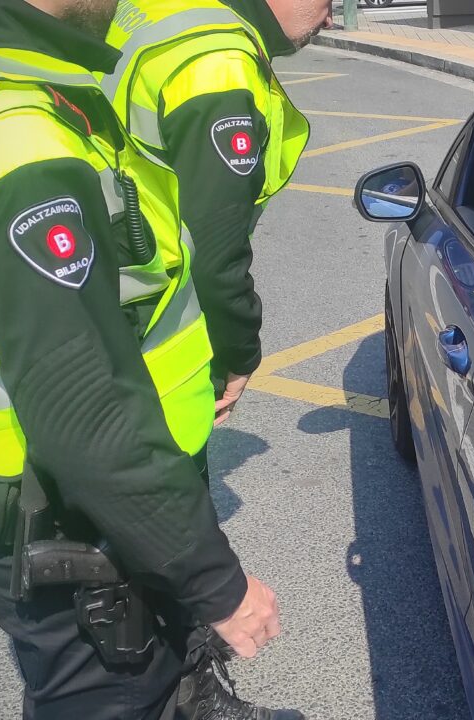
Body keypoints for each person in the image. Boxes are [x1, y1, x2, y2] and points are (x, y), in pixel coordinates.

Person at [0, 0, 294, 718]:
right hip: (57, 501)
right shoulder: (12, 144)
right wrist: (219, 585)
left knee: (126, 681)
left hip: (16, 475)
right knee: (111, 700)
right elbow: (82, 411)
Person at [101, 0, 327, 425]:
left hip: (103, 285)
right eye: (328, 1)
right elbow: (215, 251)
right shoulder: (217, 64)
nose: (330, 17)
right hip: (155, 325)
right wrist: (238, 351)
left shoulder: (153, 11)